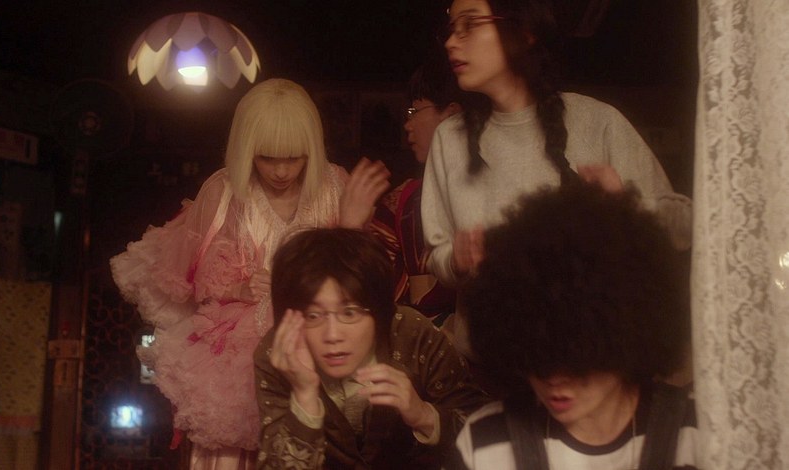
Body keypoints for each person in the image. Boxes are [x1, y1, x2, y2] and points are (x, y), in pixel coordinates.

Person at [110, 79, 390, 469]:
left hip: (320, 347)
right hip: (235, 363)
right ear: (246, 150)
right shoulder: (222, 192)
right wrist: (238, 287)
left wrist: (352, 229)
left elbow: (365, 284)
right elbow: (186, 285)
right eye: (267, 158)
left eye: (294, 158)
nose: (281, 171)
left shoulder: (334, 185)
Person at [421, 0, 693, 358]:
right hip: (490, 366)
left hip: (591, 363)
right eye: (450, 29)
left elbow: (685, 228)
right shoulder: (450, 138)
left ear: (524, 32)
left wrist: (627, 207)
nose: (451, 42)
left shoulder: (597, 122)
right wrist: (456, 260)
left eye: (469, 25)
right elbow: (438, 255)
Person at [453, 182, 697, 469]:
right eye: (538, 358)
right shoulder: (484, 443)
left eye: (578, 358)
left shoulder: (698, 432)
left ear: (626, 334)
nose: (554, 378)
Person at [253, 228, 489, 469]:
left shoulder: (412, 333)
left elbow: (489, 433)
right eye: (313, 315)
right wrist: (304, 399)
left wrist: (424, 415)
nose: (332, 335)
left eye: (349, 313)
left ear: (379, 310)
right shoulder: (279, 354)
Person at [372, 52, 461, 326]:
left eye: (415, 111)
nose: (407, 125)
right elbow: (372, 286)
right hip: (422, 342)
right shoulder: (404, 200)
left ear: (452, 115)